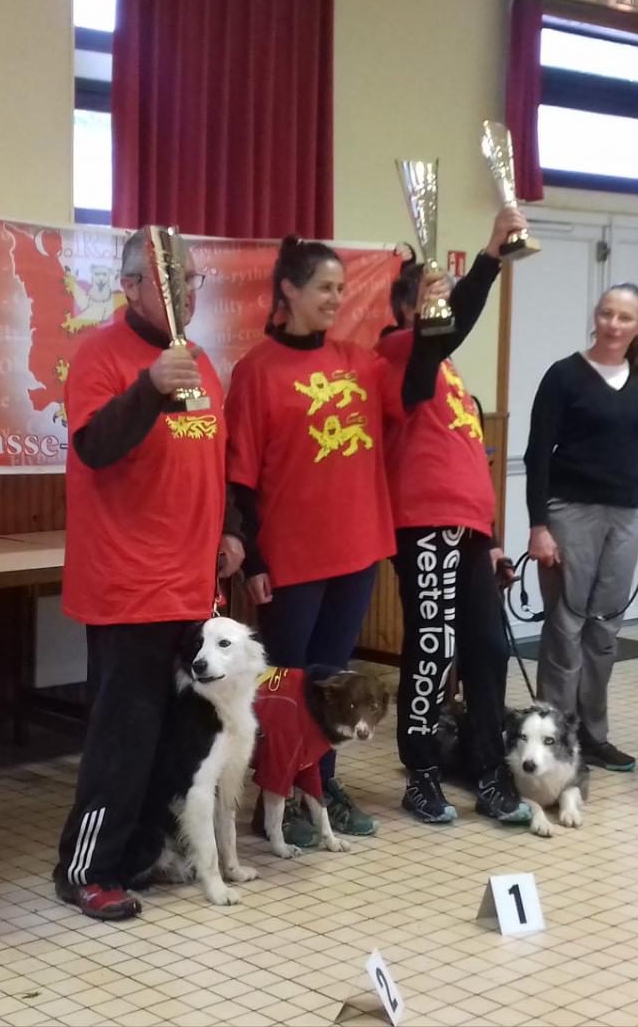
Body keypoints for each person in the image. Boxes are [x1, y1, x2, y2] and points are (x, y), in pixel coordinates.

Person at [52, 230, 245, 921]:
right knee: (122, 742)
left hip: (190, 589)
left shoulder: (203, 363)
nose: (187, 292)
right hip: (128, 589)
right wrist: (149, 389)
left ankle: (137, 854)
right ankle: (86, 870)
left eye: (194, 281)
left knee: (174, 741)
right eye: (171, 281)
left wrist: (229, 529)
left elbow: (211, 462)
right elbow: (95, 447)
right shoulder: (101, 356)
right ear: (131, 287)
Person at [226, 236, 391, 845]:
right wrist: (255, 561)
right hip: (291, 558)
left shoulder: (360, 361)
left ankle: (321, 784)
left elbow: (426, 361)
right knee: (285, 688)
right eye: (325, 287)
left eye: (342, 290)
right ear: (289, 291)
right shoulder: (256, 372)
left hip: (355, 546)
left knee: (334, 682)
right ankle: (276, 794)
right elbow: (238, 477)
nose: (336, 299)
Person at [377, 206, 534, 827]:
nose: (441, 301)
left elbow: (467, 457)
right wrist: (490, 259)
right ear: (408, 310)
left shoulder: (449, 371)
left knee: (488, 650)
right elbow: (444, 331)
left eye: (444, 289)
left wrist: (491, 540)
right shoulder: (399, 354)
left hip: (468, 528)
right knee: (432, 646)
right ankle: (421, 774)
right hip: (422, 523)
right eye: (429, 294)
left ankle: (491, 771)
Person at [524, 284, 638, 774]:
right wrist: (539, 525)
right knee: (565, 626)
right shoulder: (564, 376)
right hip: (570, 511)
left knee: (605, 630)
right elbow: (538, 453)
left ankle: (593, 733)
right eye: (606, 314)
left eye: (624, 317)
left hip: (625, 516)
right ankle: (553, 736)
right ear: (596, 316)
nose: (613, 324)